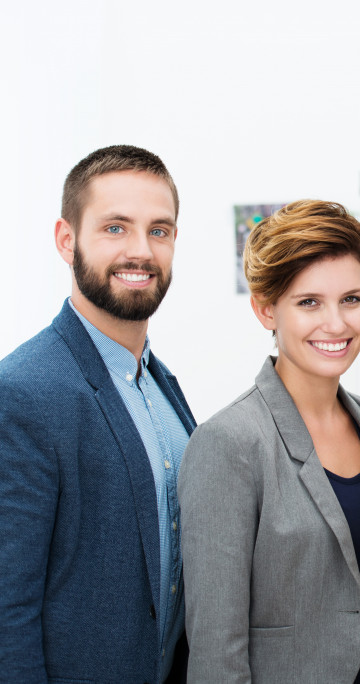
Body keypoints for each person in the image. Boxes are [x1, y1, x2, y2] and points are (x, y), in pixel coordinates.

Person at [0, 145, 195, 682]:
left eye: (159, 230)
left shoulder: (161, 383)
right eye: (115, 228)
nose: (141, 251)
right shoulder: (23, 391)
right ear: (67, 240)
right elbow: (7, 609)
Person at [178, 200, 360, 682]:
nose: (336, 324)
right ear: (265, 309)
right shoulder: (228, 444)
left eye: (351, 299)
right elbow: (217, 653)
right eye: (309, 302)